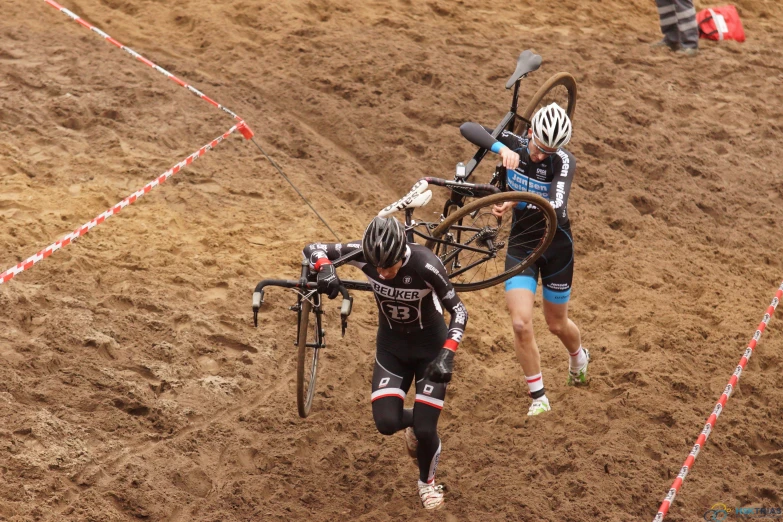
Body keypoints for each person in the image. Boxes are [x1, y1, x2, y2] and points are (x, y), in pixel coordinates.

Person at [302, 216, 468, 510]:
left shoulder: (426, 264)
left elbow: (459, 311)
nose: (381, 272)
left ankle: (427, 483)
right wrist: (325, 268)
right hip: (392, 349)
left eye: (388, 266)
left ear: (401, 253)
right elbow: (312, 248)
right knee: (386, 423)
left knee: (427, 430)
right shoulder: (367, 254)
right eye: (376, 267)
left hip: (431, 350)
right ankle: (417, 419)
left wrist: (448, 352)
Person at [459, 102, 589, 417]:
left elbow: (555, 208)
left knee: (556, 324)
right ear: (530, 132)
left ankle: (578, 356)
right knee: (520, 323)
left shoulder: (563, 160)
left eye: (550, 151)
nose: (542, 155)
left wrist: (512, 200)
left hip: (556, 246)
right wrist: (501, 148)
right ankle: (539, 398)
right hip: (522, 245)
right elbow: (468, 128)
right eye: (539, 147)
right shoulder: (517, 143)